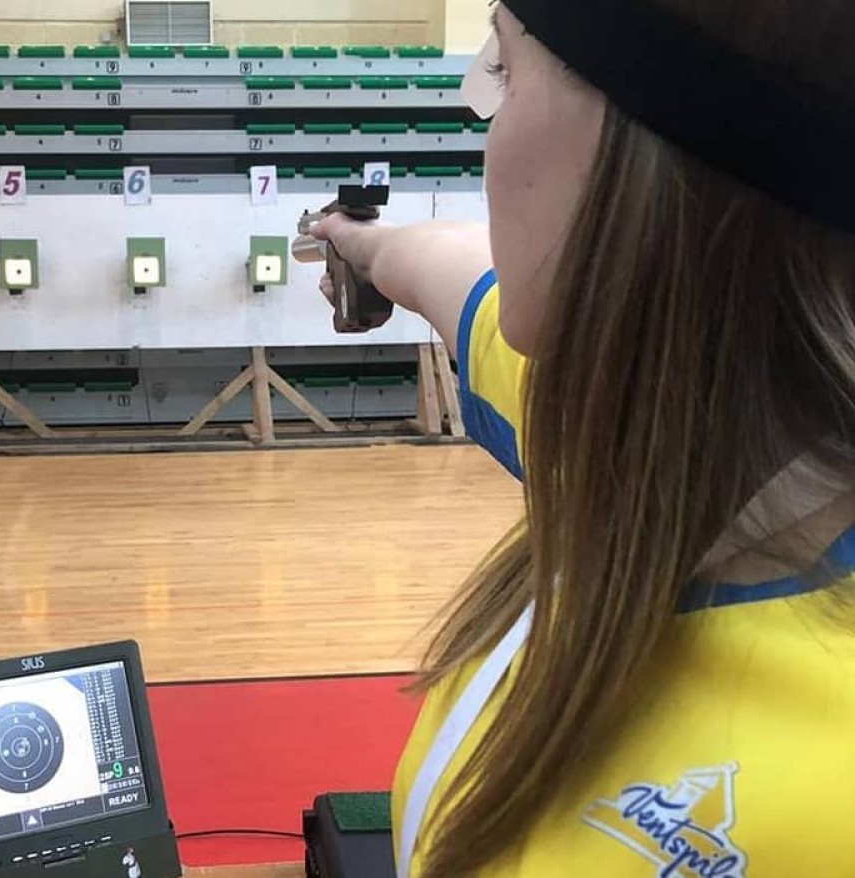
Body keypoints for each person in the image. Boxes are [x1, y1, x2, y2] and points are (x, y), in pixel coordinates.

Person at [310, 0, 855, 875]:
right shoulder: (647, 419)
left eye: (503, 72)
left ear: (630, 154)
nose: (490, 130)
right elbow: (446, 264)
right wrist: (363, 248)